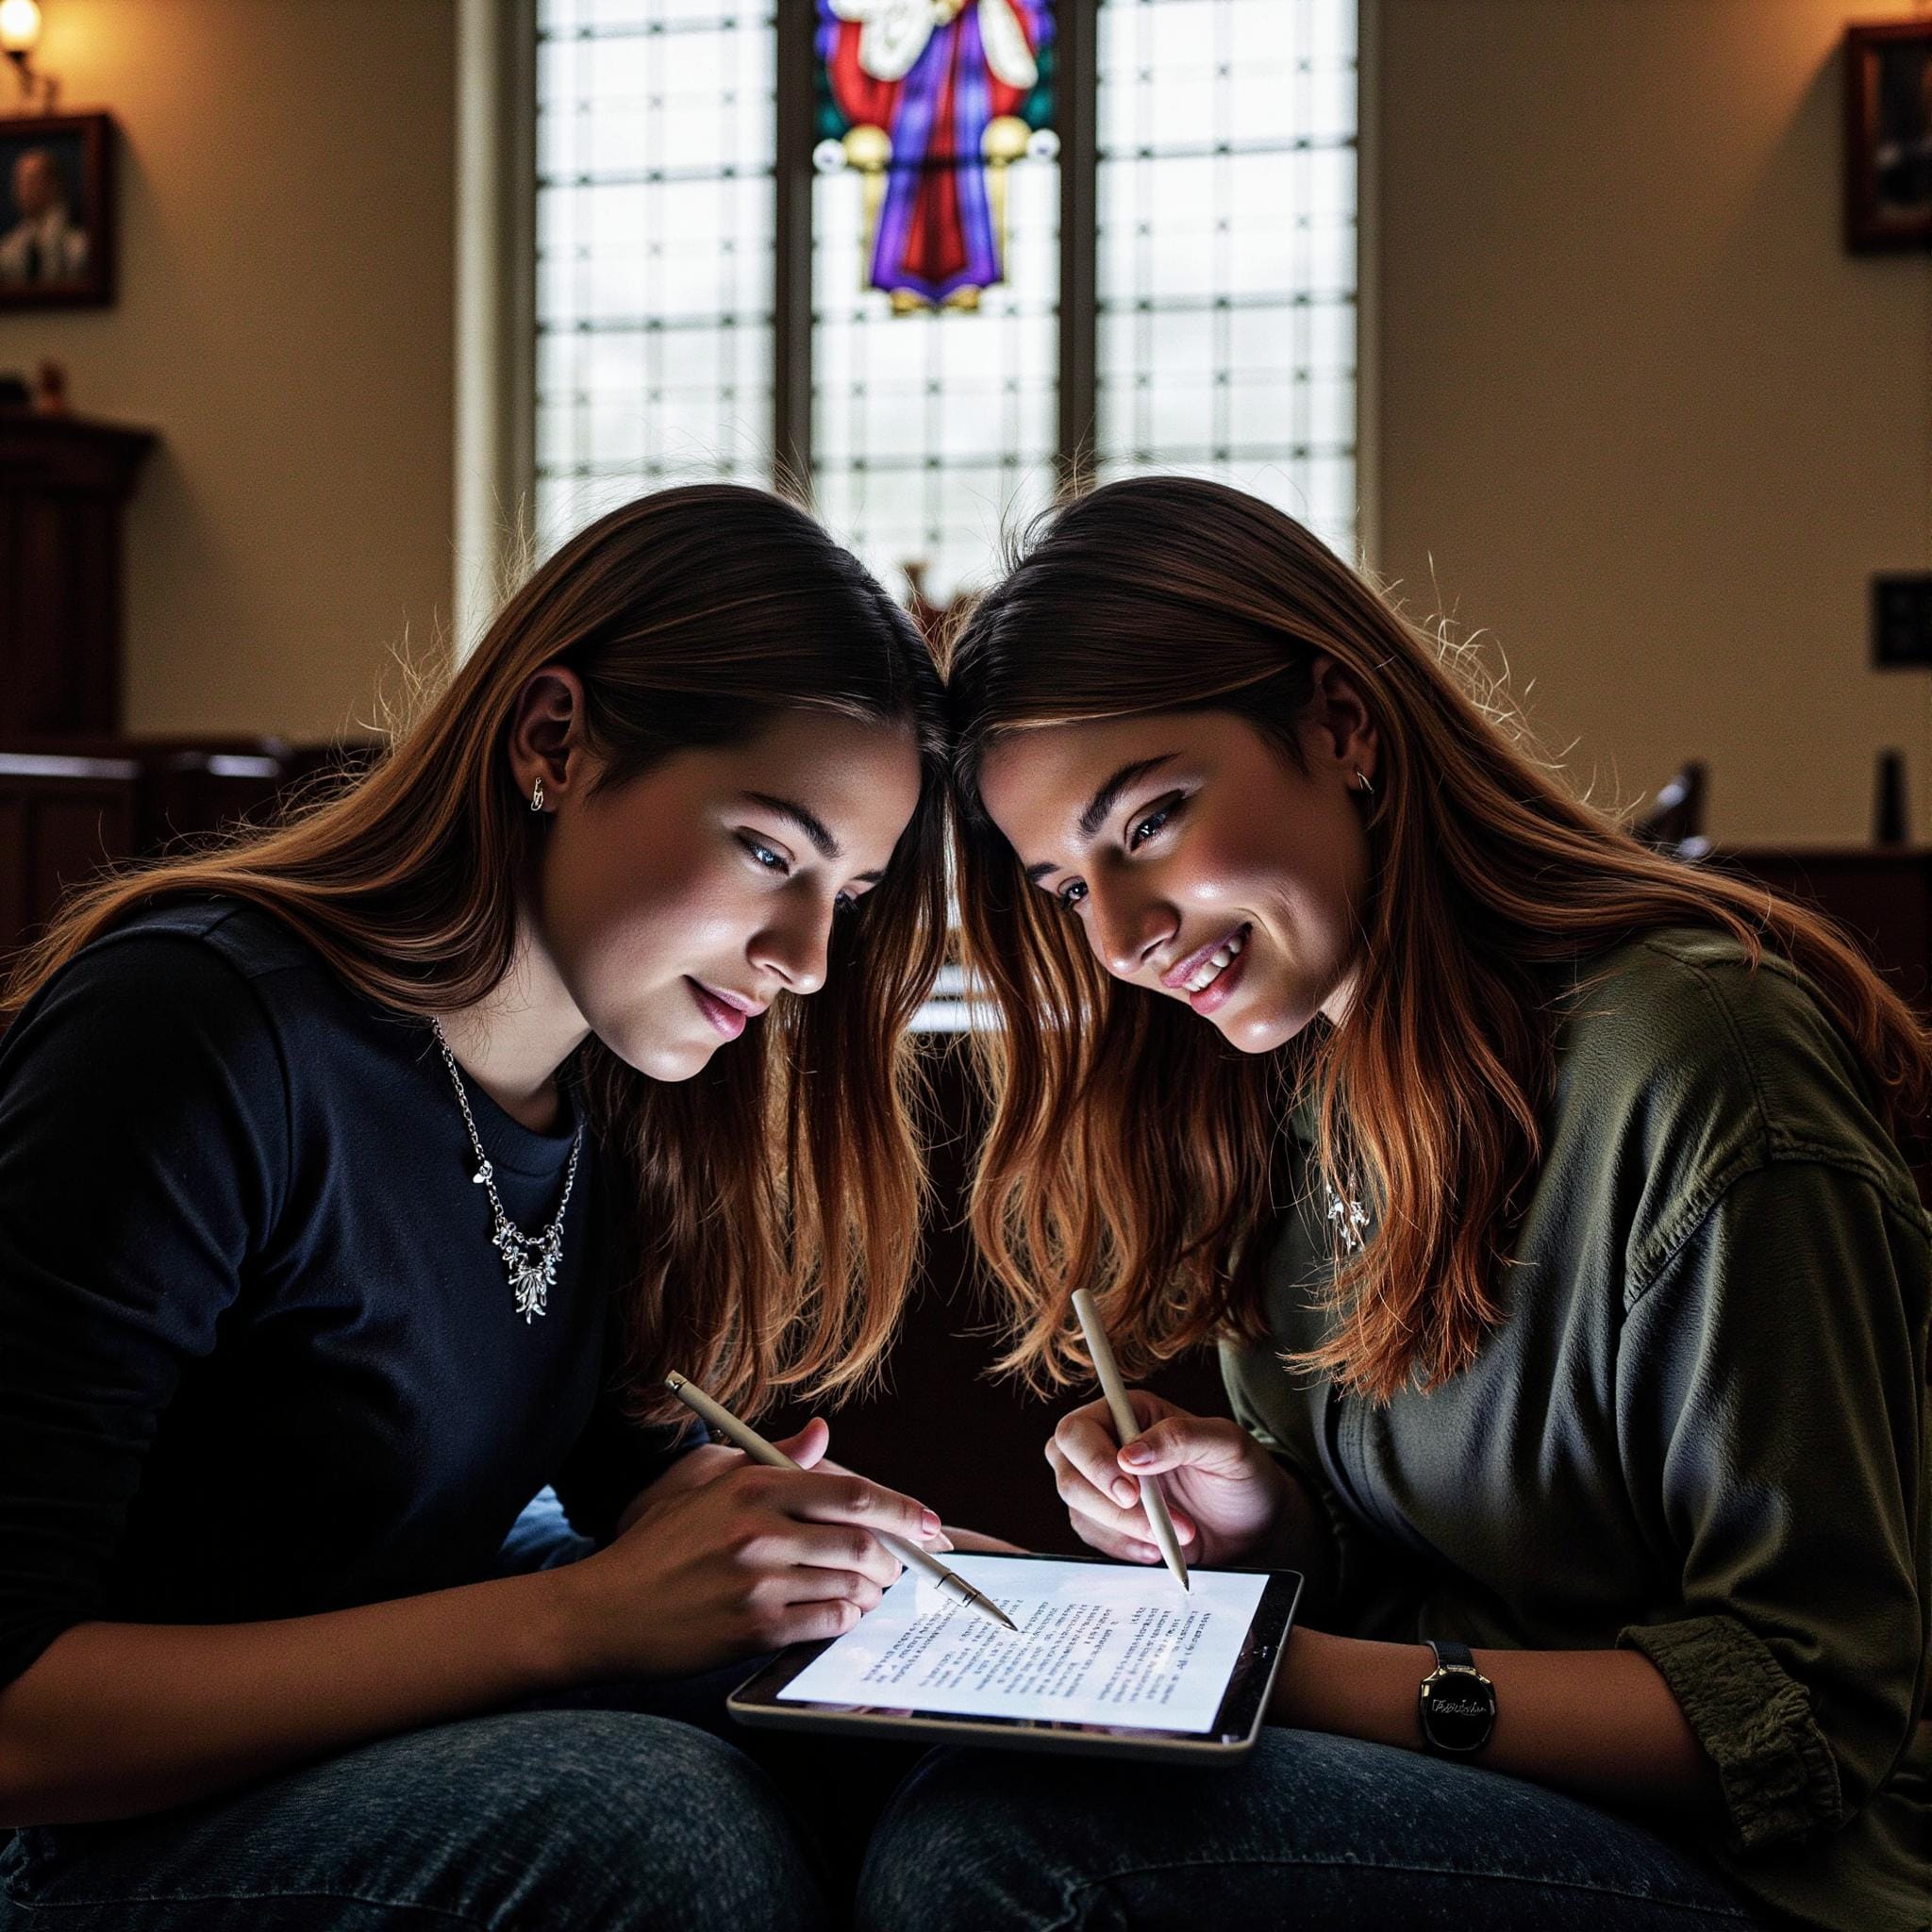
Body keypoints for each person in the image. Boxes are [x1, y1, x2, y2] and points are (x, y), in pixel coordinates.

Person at [858, 476, 1931, 1932]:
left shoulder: (1698, 1065)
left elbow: (1805, 1715)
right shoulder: (1286, 1080)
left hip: (1780, 1876)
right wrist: (1262, 1524)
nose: (1119, 938)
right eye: (1065, 889)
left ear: (1343, 729)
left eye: (1156, 821)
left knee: (1011, 1851)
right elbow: (1420, 1567)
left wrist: (1253, 1666)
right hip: (1489, 1798)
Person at [0, 485, 955, 1930]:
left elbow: (647, 1489)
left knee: (910, 1761)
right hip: (83, 1825)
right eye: (769, 851)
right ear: (552, 740)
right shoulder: (195, 1029)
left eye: (851, 892)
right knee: (655, 1831)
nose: (809, 958)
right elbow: (15, 1716)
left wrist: (851, 1552)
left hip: (364, 1744)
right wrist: (580, 1619)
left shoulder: (621, 1085)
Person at [0, 147, 89, 285]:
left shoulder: (79, 240)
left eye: (30, 180)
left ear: (55, 184)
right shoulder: (11, 245)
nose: (21, 189)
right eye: (19, 181)